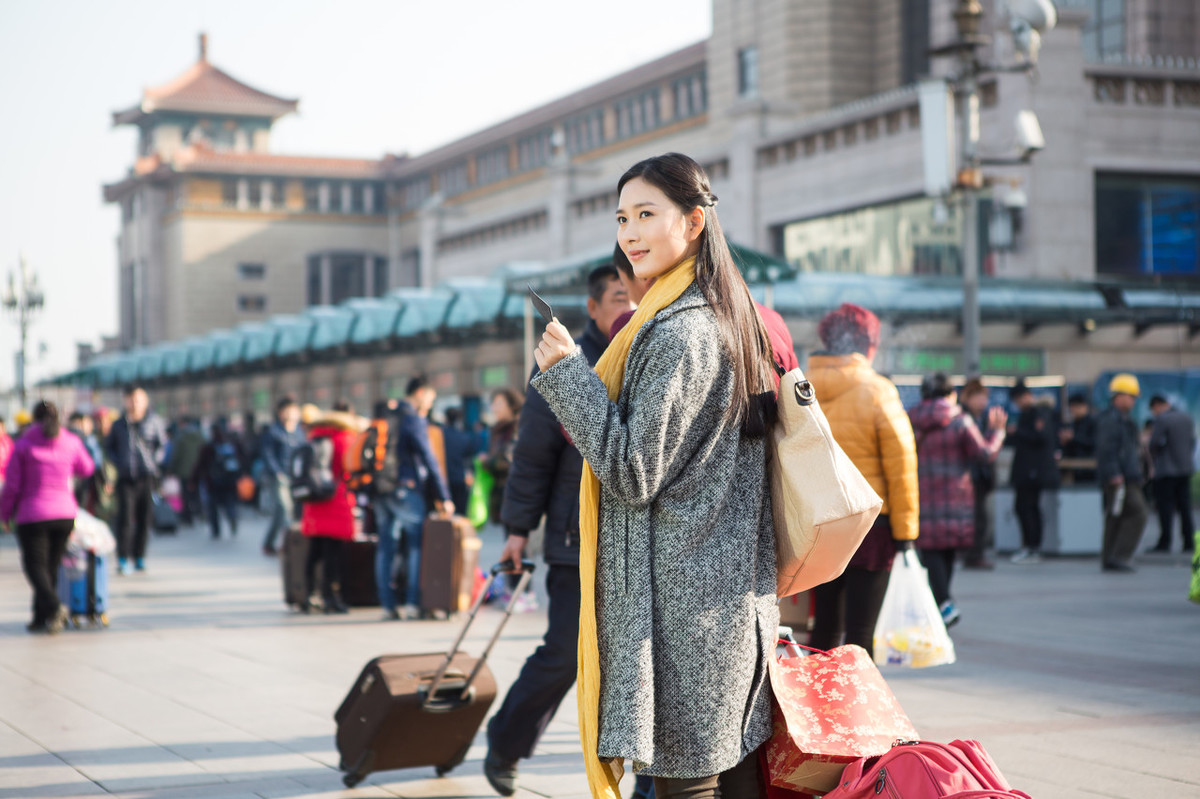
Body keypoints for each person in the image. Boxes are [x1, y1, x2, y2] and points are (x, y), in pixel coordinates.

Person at [532, 153, 778, 797]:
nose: (630, 233)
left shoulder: (681, 332)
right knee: (732, 778)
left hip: (682, 609)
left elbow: (633, 470)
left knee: (686, 785)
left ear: (695, 222)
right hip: (721, 601)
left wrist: (565, 375)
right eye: (622, 217)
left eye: (647, 214)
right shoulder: (724, 314)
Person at [483, 263, 634, 797]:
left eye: (632, 292)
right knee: (565, 654)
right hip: (574, 541)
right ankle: (505, 741)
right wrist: (519, 530)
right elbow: (532, 456)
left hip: (634, 541)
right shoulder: (565, 357)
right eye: (617, 295)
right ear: (591, 307)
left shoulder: (646, 346)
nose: (627, 302)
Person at [806, 302, 919, 656]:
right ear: (868, 343)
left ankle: (816, 705)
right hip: (872, 527)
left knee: (823, 627)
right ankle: (856, 708)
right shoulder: (876, 390)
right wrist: (906, 534)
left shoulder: (801, 387)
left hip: (820, 524)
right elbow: (901, 466)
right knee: (860, 633)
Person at [909, 373, 1006, 627]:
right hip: (956, 499)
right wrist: (998, 433)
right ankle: (944, 602)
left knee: (930, 550)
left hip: (922, 495)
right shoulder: (961, 421)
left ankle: (942, 603)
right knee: (948, 549)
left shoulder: (911, 420)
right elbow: (985, 453)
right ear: (951, 394)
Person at [0, 401, 94, 634]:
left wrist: (4, 514)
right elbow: (87, 468)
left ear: (34, 418)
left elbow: (12, 485)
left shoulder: (23, 444)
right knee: (49, 567)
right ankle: (40, 617)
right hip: (64, 513)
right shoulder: (71, 441)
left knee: (34, 566)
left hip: (33, 515)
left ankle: (52, 608)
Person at [381, 377, 453, 620]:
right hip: (407, 489)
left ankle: (387, 604)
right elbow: (429, 458)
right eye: (431, 399)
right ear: (420, 393)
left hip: (381, 489)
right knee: (414, 546)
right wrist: (444, 495)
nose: (430, 405)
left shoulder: (386, 414)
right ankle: (412, 602)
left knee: (386, 547)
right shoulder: (413, 419)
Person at [300, 401, 361, 613]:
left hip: (314, 500)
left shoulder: (315, 435)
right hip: (336, 500)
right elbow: (351, 469)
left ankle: (308, 594)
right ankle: (331, 597)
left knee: (315, 551)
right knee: (333, 553)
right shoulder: (346, 438)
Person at [104, 385, 168, 575]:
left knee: (144, 518)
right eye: (131, 399)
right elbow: (109, 448)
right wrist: (118, 463)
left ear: (145, 400)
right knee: (123, 519)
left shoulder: (154, 421)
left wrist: (154, 462)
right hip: (125, 478)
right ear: (125, 400)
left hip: (146, 477)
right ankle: (123, 557)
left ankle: (140, 556)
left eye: (138, 399)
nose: (134, 403)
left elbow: (162, 446)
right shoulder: (118, 424)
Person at [1095, 373, 1149, 572]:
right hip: (1121, 478)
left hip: (1124, 476)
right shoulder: (1112, 420)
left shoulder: (1122, 419)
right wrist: (1114, 473)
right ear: (1119, 396)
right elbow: (1106, 448)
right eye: (1131, 396)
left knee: (1115, 516)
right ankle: (1119, 556)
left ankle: (1109, 558)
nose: (1133, 401)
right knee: (1138, 513)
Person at [1006, 382, 1059, 564]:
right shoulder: (1027, 414)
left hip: (1033, 471)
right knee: (1023, 508)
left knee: (1029, 508)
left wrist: (1018, 432)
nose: (1018, 403)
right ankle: (1028, 546)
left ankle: (1033, 547)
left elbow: (1041, 437)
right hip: (1025, 470)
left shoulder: (1039, 413)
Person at [1147, 394, 1196, 553]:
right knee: (1185, 508)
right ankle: (1189, 541)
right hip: (1185, 468)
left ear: (1157, 405)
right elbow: (1192, 442)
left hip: (1166, 470)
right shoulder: (1186, 417)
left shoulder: (1162, 420)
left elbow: (1154, 443)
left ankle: (1165, 542)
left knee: (1165, 508)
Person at [260, 396, 305, 555]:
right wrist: (277, 472)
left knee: (288, 512)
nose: (293, 413)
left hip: (295, 477)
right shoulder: (273, 432)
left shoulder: (299, 432)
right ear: (280, 412)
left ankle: (274, 543)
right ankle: (285, 544)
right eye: (289, 410)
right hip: (278, 477)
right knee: (282, 508)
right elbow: (268, 454)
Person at [960, 380, 997, 569]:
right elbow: (981, 450)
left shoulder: (978, 418)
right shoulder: (965, 418)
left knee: (979, 517)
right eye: (980, 398)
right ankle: (973, 555)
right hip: (970, 477)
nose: (983, 403)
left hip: (977, 477)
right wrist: (997, 431)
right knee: (976, 518)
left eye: (985, 398)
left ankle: (974, 553)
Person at [194, 422, 242, 539]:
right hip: (230, 482)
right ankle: (232, 518)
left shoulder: (208, 447)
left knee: (213, 507)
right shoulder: (230, 445)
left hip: (212, 482)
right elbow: (241, 459)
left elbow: (200, 464)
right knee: (229, 503)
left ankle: (216, 530)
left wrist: (193, 480)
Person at [166, 417, 205, 526]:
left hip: (184, 471)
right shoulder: (200, 436)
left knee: (185, 495)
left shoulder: (181, 437)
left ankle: (188, 517)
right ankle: (200, 512)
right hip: (198, 470)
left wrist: (172, 469)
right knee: (197, 492)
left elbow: (176, 455)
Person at [439, 407, 476, 518]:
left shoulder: (440, 436)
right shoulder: (464, 437)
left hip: (443, 479)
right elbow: (469, 459)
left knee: (443, 515)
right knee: (461, 513)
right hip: (460, 478)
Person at [1060, 393, 1098, 483]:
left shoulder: (1093, 423)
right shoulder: (1073, 424)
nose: (1072, 410)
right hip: (1076, 470)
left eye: (1075, 407)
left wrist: (1073, 438)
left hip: (1091, 470)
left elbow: (1093, 442)